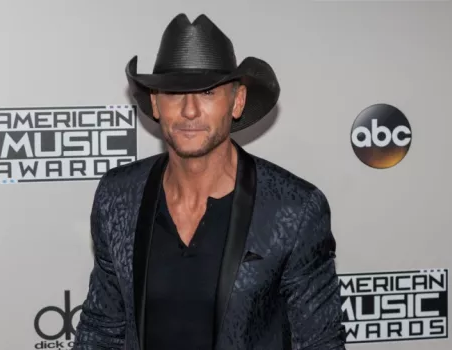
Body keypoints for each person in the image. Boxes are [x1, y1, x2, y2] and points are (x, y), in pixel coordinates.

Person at [73, 13, 346, 350]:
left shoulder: (293, 208)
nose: (189, 111)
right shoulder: (117, 196)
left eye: (207, 92)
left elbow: (320, 343)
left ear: (238, 101)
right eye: (174, 93)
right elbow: (101, 329)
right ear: (155, 104)